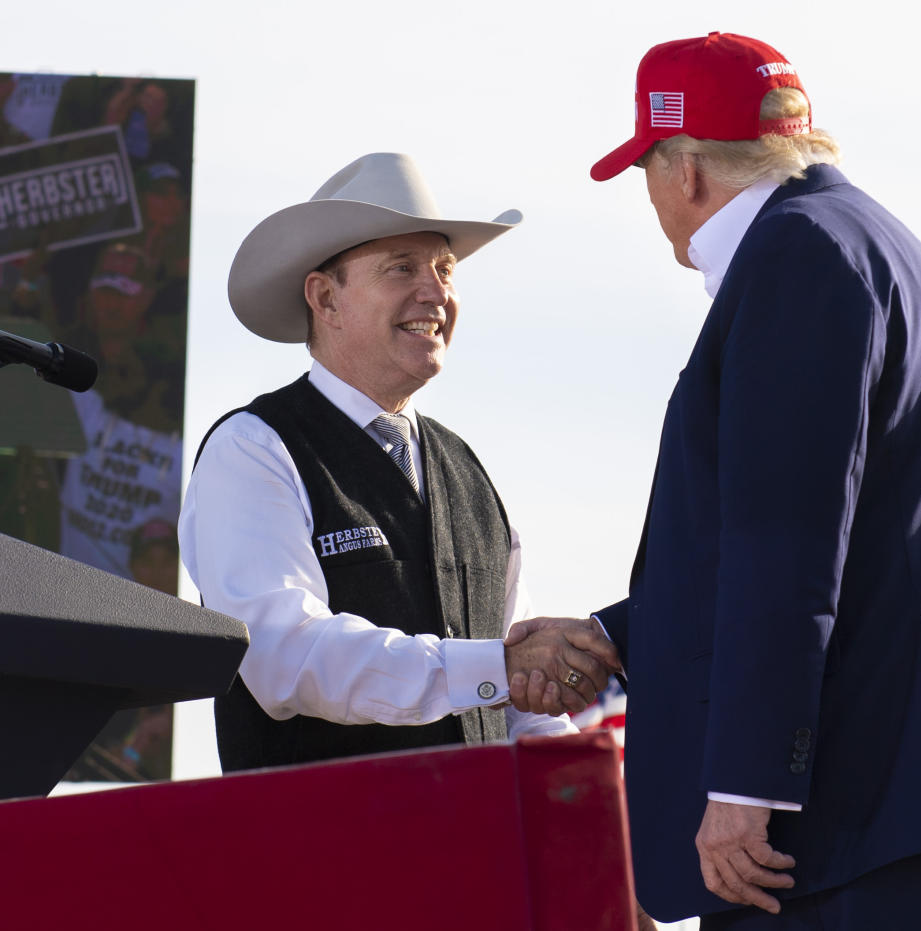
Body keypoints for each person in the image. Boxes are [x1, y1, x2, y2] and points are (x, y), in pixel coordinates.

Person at [507, 33, 921, 929]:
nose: (650, 200)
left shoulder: (796, 259)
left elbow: (786, 550)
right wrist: (611, 636)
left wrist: (748, 786)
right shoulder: (866, 240)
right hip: (908, 791)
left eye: (644, 171)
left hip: (838, 816)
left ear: (683, 170)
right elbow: (834, 540)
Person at [179, 153, 620, 771]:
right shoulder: (254, 448)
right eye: (401, 268)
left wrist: (594, 786)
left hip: (474, 855)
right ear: (325, 298)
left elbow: (521, 707)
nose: (437, 292)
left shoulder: (465, 469)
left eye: (444, 269)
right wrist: (500, 666)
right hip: (318, 856)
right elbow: (286, 660)